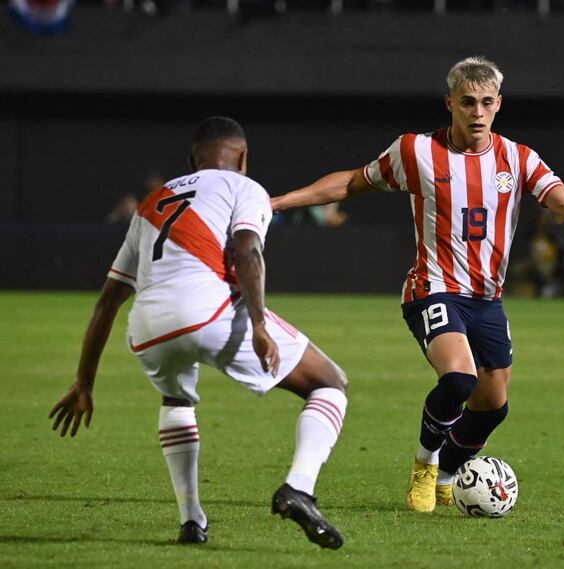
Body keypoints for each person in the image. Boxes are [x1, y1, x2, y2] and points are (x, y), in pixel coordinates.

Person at [270, 56, 564, 513]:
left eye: (486, 102)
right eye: (467, 102)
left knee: (493, 405)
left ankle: (446, 476)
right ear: (450, 103)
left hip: (487, 300)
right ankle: (425, 464)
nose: (477, 112)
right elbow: (351, 183)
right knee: (459, 378)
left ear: (499, 104)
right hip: (432, 288)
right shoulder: (416, 152)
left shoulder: (518, 158)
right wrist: (279, 202)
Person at [49, 117, 348, 549]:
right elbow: (246, 251)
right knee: (330, 384)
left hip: (147, 327)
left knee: (176, 399)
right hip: (208, 311)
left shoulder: (152, 203)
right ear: (243, 157)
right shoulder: (244, 187)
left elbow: (108, 301)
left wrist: (84, 382)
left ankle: (191, 520)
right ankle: (299, 488)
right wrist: (259, 324)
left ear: (192, 160)